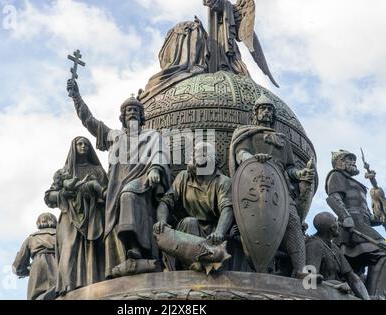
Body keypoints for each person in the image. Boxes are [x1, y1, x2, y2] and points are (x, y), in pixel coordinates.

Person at [67, 79, 171, 279]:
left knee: (128, 195)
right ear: (122, 117)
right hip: (115, 187)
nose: (131, 113)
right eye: (127, 111)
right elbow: (90, 121)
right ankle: (119, 266)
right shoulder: (115, 137)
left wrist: (156, 169)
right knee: (116, 213)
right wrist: (76, 97)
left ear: (141, 116)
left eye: (135, 110)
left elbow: (159, 153)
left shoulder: (152, 135)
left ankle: (136, 248)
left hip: (142, 182)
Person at [228, 94, 315, 278]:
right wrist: (253, 159)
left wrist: (300, 174)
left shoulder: (282, 140)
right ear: (256, 113)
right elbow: (240, 153)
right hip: (253, 186)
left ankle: (300, 270)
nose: (266, 112)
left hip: (280, 189)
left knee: (293, 222)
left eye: (269, 109)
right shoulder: (247, 133)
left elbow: (290, 168)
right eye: (263, 109)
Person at [154, 142, 235, 270]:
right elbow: (166, 201)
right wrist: (162, 221)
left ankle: (206, 263)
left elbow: (227, 209)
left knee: (199, 227)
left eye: (201, 165)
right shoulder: (183, 177)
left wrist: (219, 232)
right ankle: (189, 267)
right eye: (194, 163)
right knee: (189, 222)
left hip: (213, 231)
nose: (196, 169)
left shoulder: (223, 182)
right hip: (187, 231)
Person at [45, 137, 107, 294]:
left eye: (86, 144)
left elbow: (108, 193)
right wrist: (63, 193)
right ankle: (68, 286)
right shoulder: (64, 172)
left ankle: (95, 285)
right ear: (74, 147)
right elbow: (49, 197)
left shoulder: (98, 170)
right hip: (69, 216)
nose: (83, 146)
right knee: (69, 247)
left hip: (93, 215)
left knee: (94, 249)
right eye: (79, 144)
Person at [326, 150, 386, 296]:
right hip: (350, 226)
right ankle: (375, 294)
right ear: (339, 162)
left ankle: (365, 293)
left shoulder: (357, 184)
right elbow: (334, 198)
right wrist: (346, 217)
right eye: (348, 159)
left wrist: (379, 216)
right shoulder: (336, 175)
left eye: (354, 159)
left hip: (362, 224)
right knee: (382, 252)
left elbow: (365, 213)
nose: (353, 162)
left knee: (355, 269)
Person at [306, 212, 370, 300]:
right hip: (320, 293)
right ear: (332, 228)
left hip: (336, 292)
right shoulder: (314, 245)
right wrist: (336, 286)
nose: (339, 224)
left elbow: (351, 276)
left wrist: (366, 298)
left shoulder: (334, 248)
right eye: (336, 221)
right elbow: (310, 279)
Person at [12, 213, 58, 300]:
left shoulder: (31, 238)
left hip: (38, 268)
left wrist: (28, 271)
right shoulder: (61, 234)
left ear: (38, 223)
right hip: (59, 265)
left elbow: (18, 266)